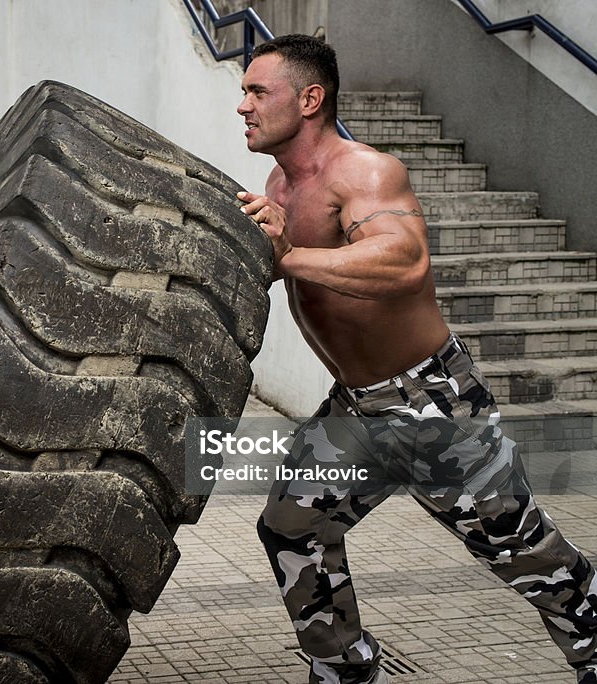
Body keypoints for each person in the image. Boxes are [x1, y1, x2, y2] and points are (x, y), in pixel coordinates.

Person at [236, 34, 597, 684]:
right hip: (356, 405)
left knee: (520, 550)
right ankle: (345, 668)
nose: (244, 105)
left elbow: (403, 259)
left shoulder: (366, 173)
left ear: (310, 97)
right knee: (293, 524)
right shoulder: (278, 184)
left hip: (431, 399)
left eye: (258, 91)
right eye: (244, 93)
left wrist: (289, 256)